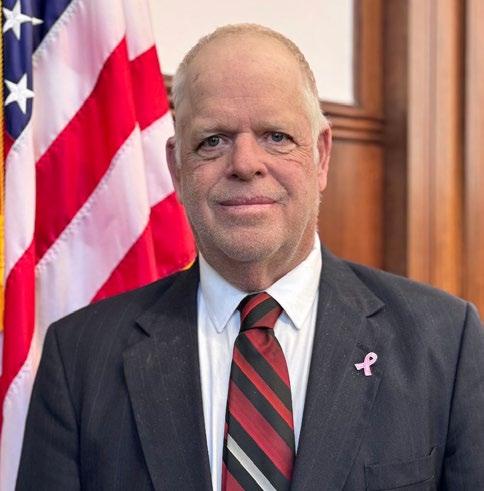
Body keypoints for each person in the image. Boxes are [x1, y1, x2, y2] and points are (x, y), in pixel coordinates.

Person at [17, 24, 484, 490]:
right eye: (213, 140)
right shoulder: (79, 358)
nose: (244, 163)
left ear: (321, 156)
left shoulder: (445, 342)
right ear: (177, 168)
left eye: (276, 136)